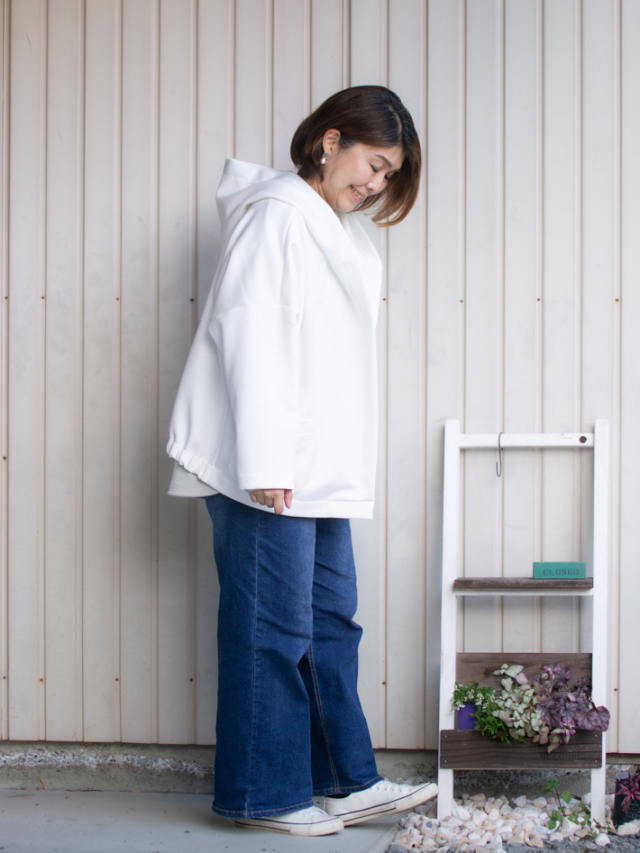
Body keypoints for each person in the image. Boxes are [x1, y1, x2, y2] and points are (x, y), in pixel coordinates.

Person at [166, 85, 437, 837]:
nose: (376, 184)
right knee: (271, 627)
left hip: (315, 466)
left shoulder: (332, 228)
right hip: (269, 466)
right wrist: (264, 460)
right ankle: (264, 791)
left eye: (389, 175)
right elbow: (250, 332)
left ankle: (344, 781)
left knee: (328, 622)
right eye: (374, 164)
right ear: (330, 139)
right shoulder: (277, 216)